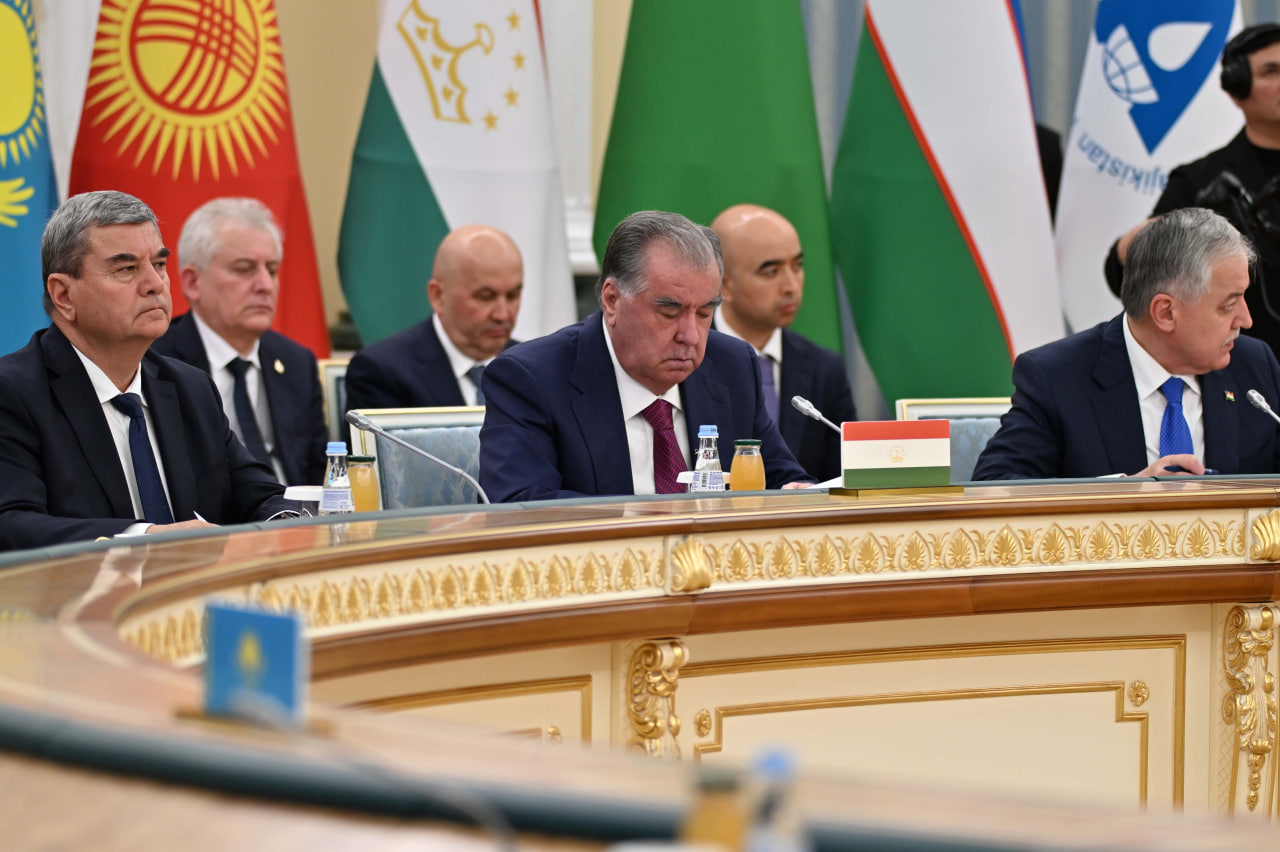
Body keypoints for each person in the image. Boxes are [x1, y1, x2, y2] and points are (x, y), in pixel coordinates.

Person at [0, 191, 294, 551]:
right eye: (126, 269)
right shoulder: (13, 393)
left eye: (158, 264)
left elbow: (259, 495)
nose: (155, 284)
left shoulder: (190, 387)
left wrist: (292, 524)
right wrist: (145, 539)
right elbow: (11, 524)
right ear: (63, 295)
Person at [479, 210, 812, 502]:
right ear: (612, 300)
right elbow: (522, 506)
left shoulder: (732, 366)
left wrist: (800, 493)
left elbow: (783, 480)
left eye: (704, 313)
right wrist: (652, 522)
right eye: (670, 312)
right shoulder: (532, 379)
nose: (691, 336)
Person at [974, 207, 1280, 480]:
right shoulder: (1057, 378)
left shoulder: (1255, 366)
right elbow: (995, 485)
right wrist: (1123, 492)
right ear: (1166, 313)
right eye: (1229, 305)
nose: (1246, 319)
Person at [1106, 24, 1280, 357]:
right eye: (1271, 72)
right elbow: (1130, 276)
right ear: (1237, 88)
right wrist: (1135, 245)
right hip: (1235, 366)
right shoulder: (1200, 181)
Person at [151, 198, 327, 486]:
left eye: (272, 270)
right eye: (244, 269)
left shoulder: (296, 362)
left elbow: (320, 474)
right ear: (193, 283)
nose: (266, 285)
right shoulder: (155, 362)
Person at [710, 204, 855, 481]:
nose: (791, 286)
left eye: (797, 266)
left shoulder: (824, 369)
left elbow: (845, 477)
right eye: (771, 272)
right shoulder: (688, 358)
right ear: (724, 284)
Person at [344, 225, 523, 411]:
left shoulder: (532, 365)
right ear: (438, 296)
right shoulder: (382, 372)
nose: (503, 314)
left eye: (513, 296)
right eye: (485, 297)